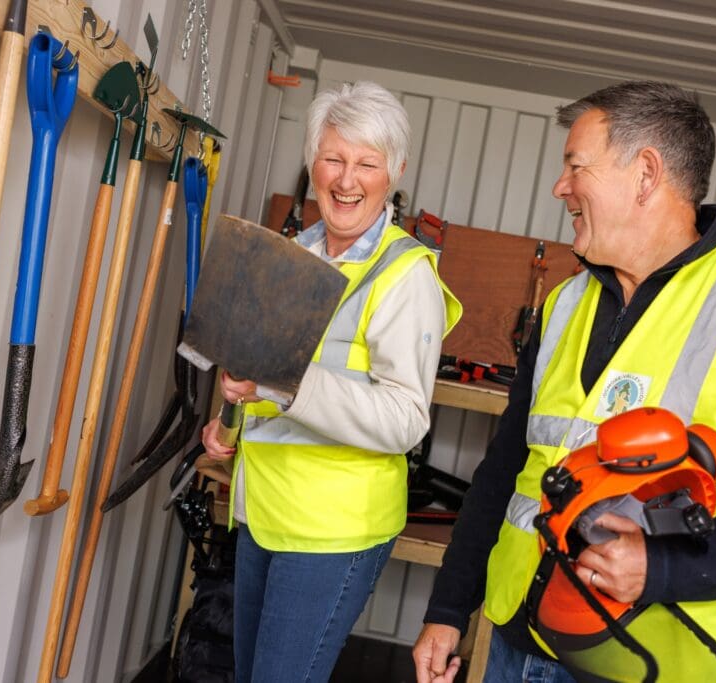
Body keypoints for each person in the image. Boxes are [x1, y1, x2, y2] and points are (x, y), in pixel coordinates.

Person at [412, 81, 716, 682]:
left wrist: (662, 566)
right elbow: (505, 472)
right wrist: (448, 610)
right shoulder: (563, 305)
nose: (560, 187)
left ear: (646, 174)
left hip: (639, 663)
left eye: (576, 166)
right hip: (515, 642)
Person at [201, 80, 461, 682]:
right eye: (334, 158)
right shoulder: (294, 253)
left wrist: (287, 384)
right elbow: (257, 375)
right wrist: (230, 421)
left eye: (367, 163)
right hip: (264, 510)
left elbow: (404, 420)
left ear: (393, 172)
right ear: (312, 163)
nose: (347, 179)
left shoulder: (405, 275)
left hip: (334, 529)